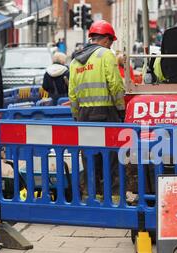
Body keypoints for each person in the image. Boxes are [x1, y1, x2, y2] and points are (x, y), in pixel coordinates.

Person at [68, 20, 124, 199]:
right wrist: (121, 109)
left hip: (84, 114)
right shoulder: (106, 55)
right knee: (112, 155)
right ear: (106, 39)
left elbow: (72, 94)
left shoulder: (75, 61)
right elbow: (115, 84)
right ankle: (114, 195)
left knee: (90, 155)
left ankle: (92, 194)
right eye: (111, 41)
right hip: (106, 112)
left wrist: (77, 116)